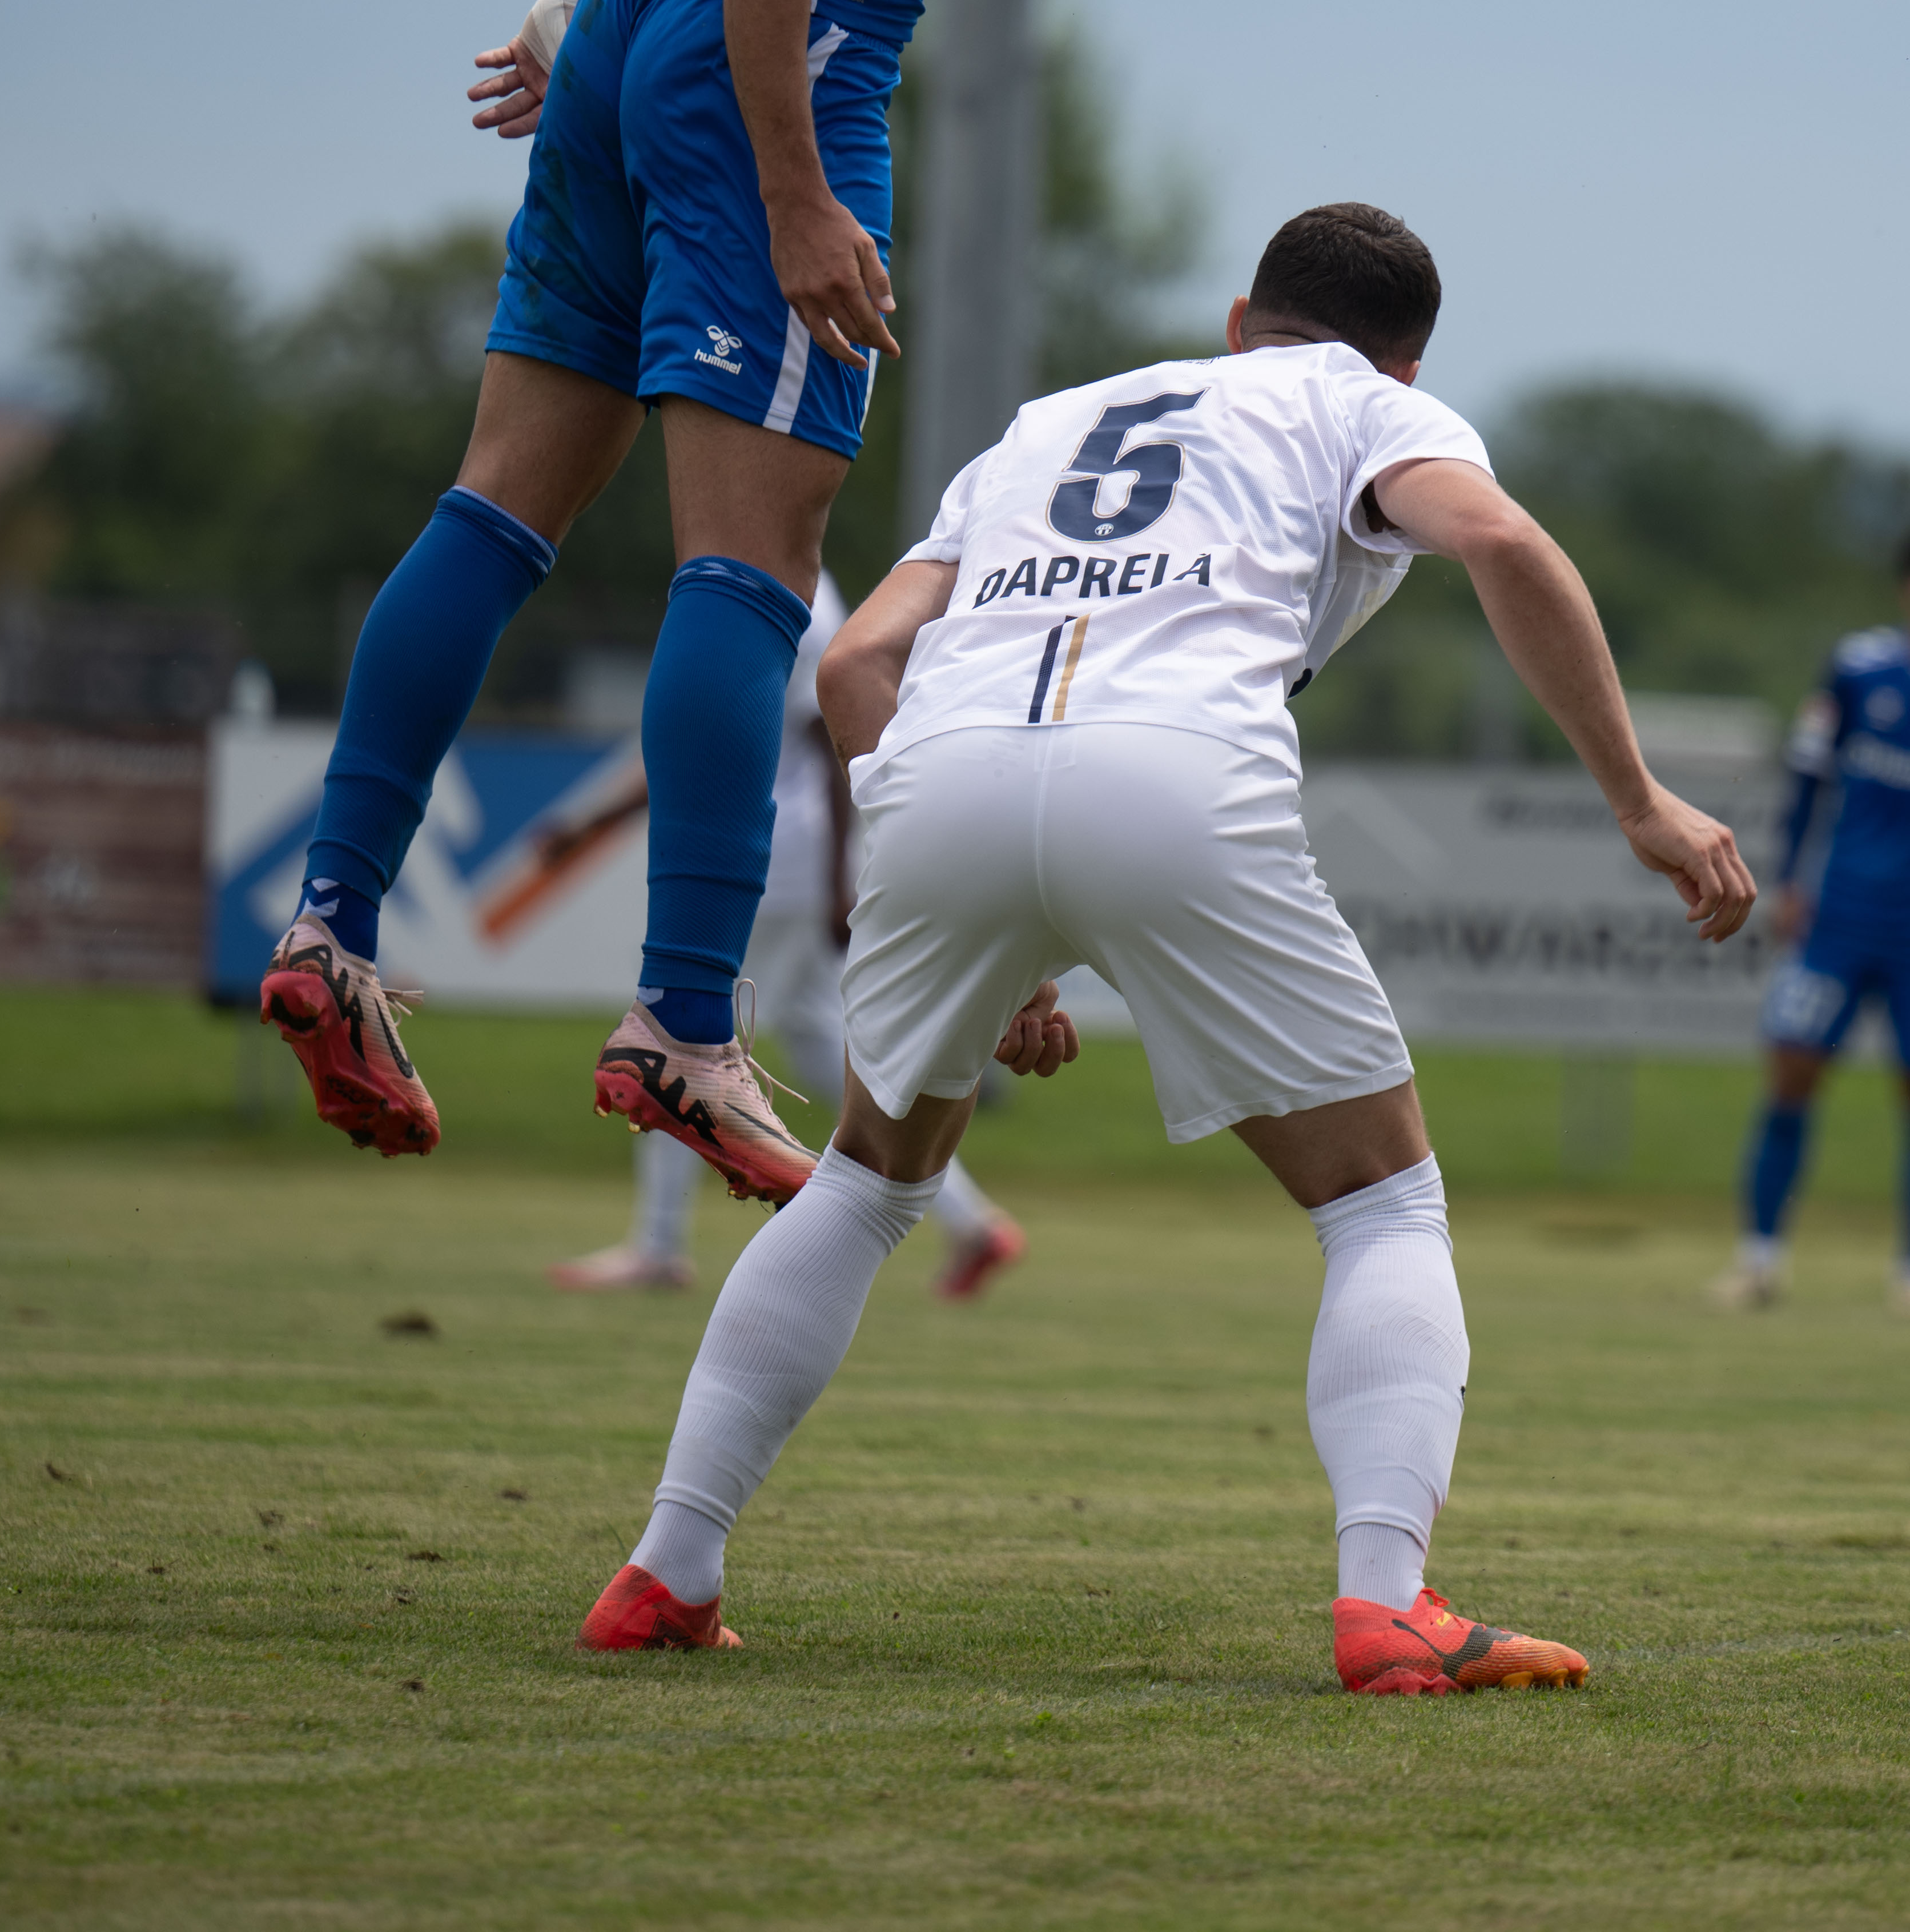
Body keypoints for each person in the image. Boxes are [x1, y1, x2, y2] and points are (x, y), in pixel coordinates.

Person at [255, 0, 1171, 1202]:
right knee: (752, 565)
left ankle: (332, 924)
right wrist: (797, 204)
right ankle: (679, 1021)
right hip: (769, 65)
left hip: (628, 14)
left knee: (494, 508)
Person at [575, 202, 1757, 1690]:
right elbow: (1503, 539)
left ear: (1237, 316)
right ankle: (1388, 1601)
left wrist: (981, 923)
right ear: (1403, 359)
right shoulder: (1367, 407)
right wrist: (1639, 800)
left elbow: (865, 659)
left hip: (938, 780)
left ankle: (666, 1571)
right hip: (1177, 769)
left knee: (872, 1182)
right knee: (1380, 1206)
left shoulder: (1042, 425)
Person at [554, 575, 1021, 1298]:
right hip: (788, 861)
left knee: (678, 1036)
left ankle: (657, 1244)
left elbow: (806, 742)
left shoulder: (782, 588)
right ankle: (970, 1219)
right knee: (819, 1044)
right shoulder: (781, 577)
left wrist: (843, 874)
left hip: (772, 858)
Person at [1710, 523, 1910, 1318]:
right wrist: (1789, 878)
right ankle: (1759, 1261)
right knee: (1792, 1070)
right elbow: (1807, 780)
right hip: (1840, 915)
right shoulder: (1861, 672)